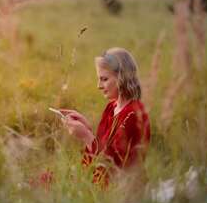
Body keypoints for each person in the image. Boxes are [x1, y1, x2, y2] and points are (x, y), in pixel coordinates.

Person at [61, 47, 151, 186]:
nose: (99, 86)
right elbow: (102, 150)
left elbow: (111, 164)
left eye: (104, 79)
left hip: (124, 190)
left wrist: (86, 136)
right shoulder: (111, 107)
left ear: (122, 78)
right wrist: (87, 128)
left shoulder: (134, 114)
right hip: (102, 182)